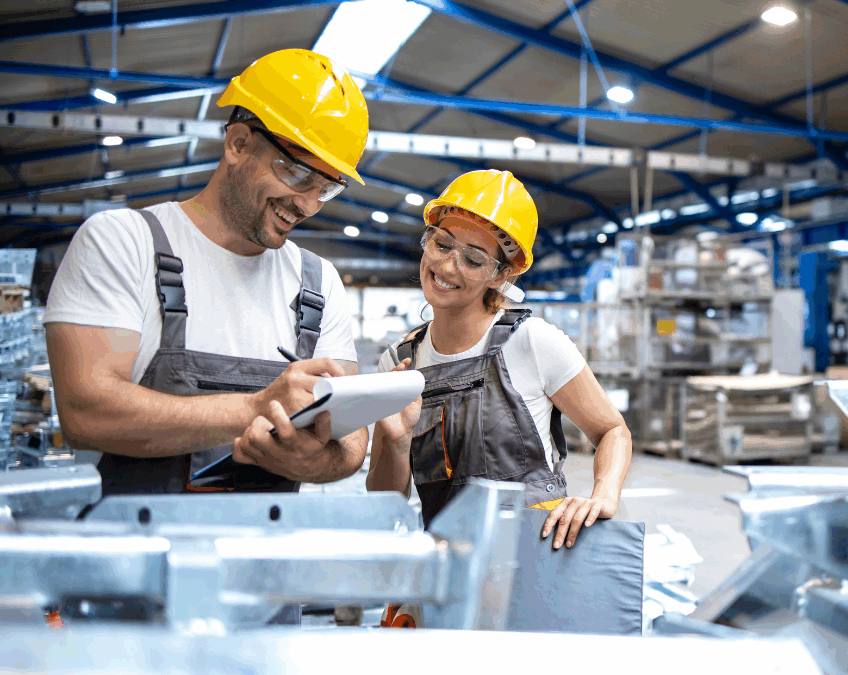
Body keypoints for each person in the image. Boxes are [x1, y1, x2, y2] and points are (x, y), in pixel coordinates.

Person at [44, 49, 370, 496]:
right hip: (135, 555)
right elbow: (86, 413)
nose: (309, 204)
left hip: (267, 556)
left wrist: (317, 461)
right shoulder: (124, 241)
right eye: (296, 174)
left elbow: (351, 441)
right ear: (238, 143)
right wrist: (253, 408)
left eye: (327, 188)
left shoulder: (317, 281)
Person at [366, 169, 633, 552]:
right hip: (452, 571)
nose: (447, 267)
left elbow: (612, 431)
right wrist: (396, 442)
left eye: (473, 259)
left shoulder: (531, 343)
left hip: (540, 560)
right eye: (442, 245)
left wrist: (603, 497)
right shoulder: (400, 362)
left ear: (500, 275)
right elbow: (384, 502)